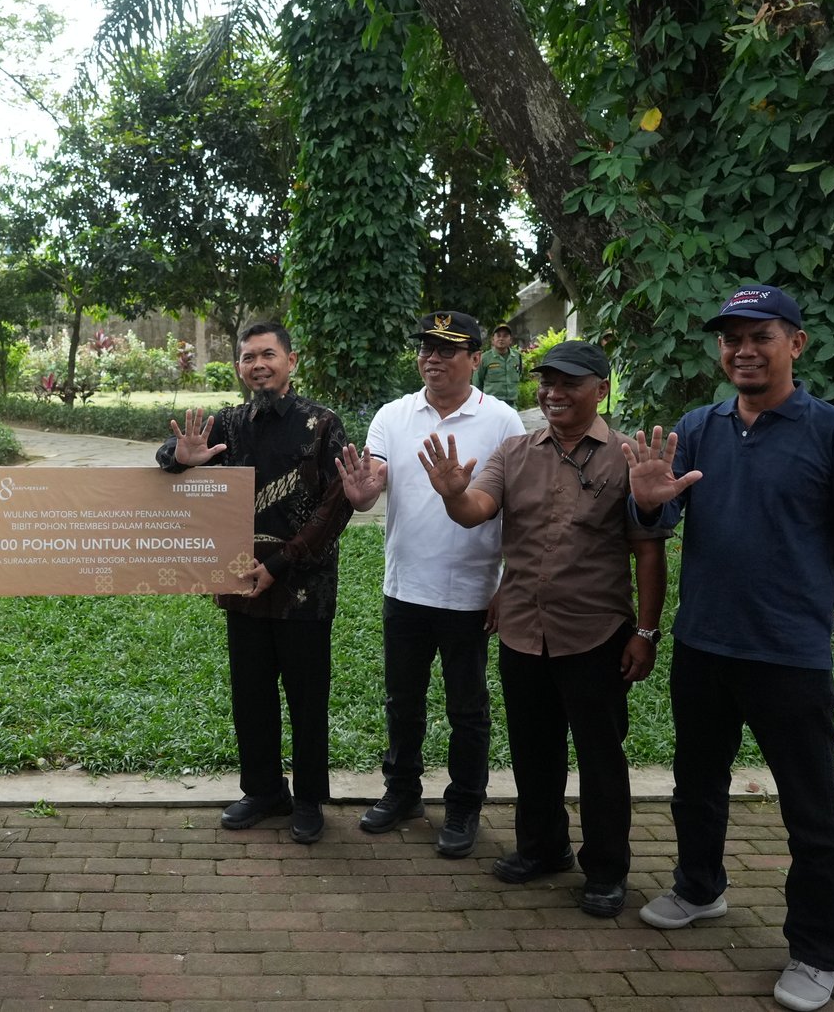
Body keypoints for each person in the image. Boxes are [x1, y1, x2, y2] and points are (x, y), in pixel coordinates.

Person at [623, 284, 834, 1011]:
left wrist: (807, 596)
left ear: (796, 344)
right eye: (730, 337)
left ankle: (818, 948)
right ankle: (698, 886)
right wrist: (647, 499)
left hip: (789, 655)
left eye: (761, 335)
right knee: (697, 782)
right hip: (704, 645)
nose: (743, 349)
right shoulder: (699, 427)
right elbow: (656, 514)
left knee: (810, 807)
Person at [420, 339, 668, 918]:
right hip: (522, 629)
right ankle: (542, 847)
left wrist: (647, 633)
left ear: (601, 389)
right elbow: (475, 511)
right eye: (546, 382)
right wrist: (454, 495)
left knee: (601, 757)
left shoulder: (629, 458)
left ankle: (607, 870)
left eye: (569, 383)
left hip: (596, 632)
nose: (553, 393)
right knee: (534, 751)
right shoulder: (514, 451)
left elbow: (647, 554)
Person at [335, 311, 524, 857]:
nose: (432, 358)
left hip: (471, 590)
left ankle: (464, 804)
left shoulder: (503, 422)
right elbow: (373, 485)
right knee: (403, 700)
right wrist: (360, 493)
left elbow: (521, 511)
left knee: (467, 707)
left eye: (447, 349)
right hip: (405, 586)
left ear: (476, 358)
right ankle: (402, 792)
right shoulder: (394, 416)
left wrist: (507, 583)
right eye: (426, 348)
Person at [157, 322, 353, 844]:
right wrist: (180, 458)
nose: (258, 364)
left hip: (303, 591)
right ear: (239, 367)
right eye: (248, 357)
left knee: (308, 701)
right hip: (239, 587)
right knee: (251, 695)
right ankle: (263, 790)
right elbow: (167, 462)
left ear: (291, 360)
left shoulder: (322, 424)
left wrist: (280, 566)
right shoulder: (227, 423)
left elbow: (336, 511)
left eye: (268, 354)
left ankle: (309, 798)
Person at [472, 322, 523, 404]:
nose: (501, 339)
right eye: (498, 336)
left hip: (511, 405)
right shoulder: (484, 358)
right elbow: (477, 383)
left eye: (505, 336)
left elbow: (519, 375)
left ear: (510, 340)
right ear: (493, 340)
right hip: (491, 405)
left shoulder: (517, 357)